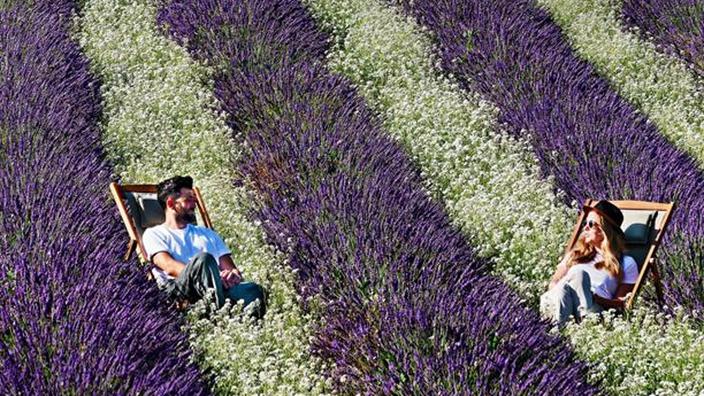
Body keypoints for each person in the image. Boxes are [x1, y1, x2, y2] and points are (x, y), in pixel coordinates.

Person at [142, 175, 266, 317]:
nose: (194, 203)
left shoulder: (207, 233)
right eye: (188, 199)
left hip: (218, 286)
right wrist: (210, 275)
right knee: (203, 260)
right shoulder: (153, 234)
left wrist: (232, 276)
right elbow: (169, 267)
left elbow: (230, 268)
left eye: (194, 198)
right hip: (181, 286)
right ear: (171, 204)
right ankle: (221, 315)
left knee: (254, 290)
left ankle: (227, 315)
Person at [540, 200, 638, 327]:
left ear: (605, 230)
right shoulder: (574, 255)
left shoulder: (626, 263)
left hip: (594, 308)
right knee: (570, 282)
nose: (585, 227)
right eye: (585, 223)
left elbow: (621, 303)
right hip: (559, 301)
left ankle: (556, 333)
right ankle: (573, 326)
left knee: (579, 275)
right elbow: (554, 283)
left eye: (591, 224)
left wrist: (596, 298)